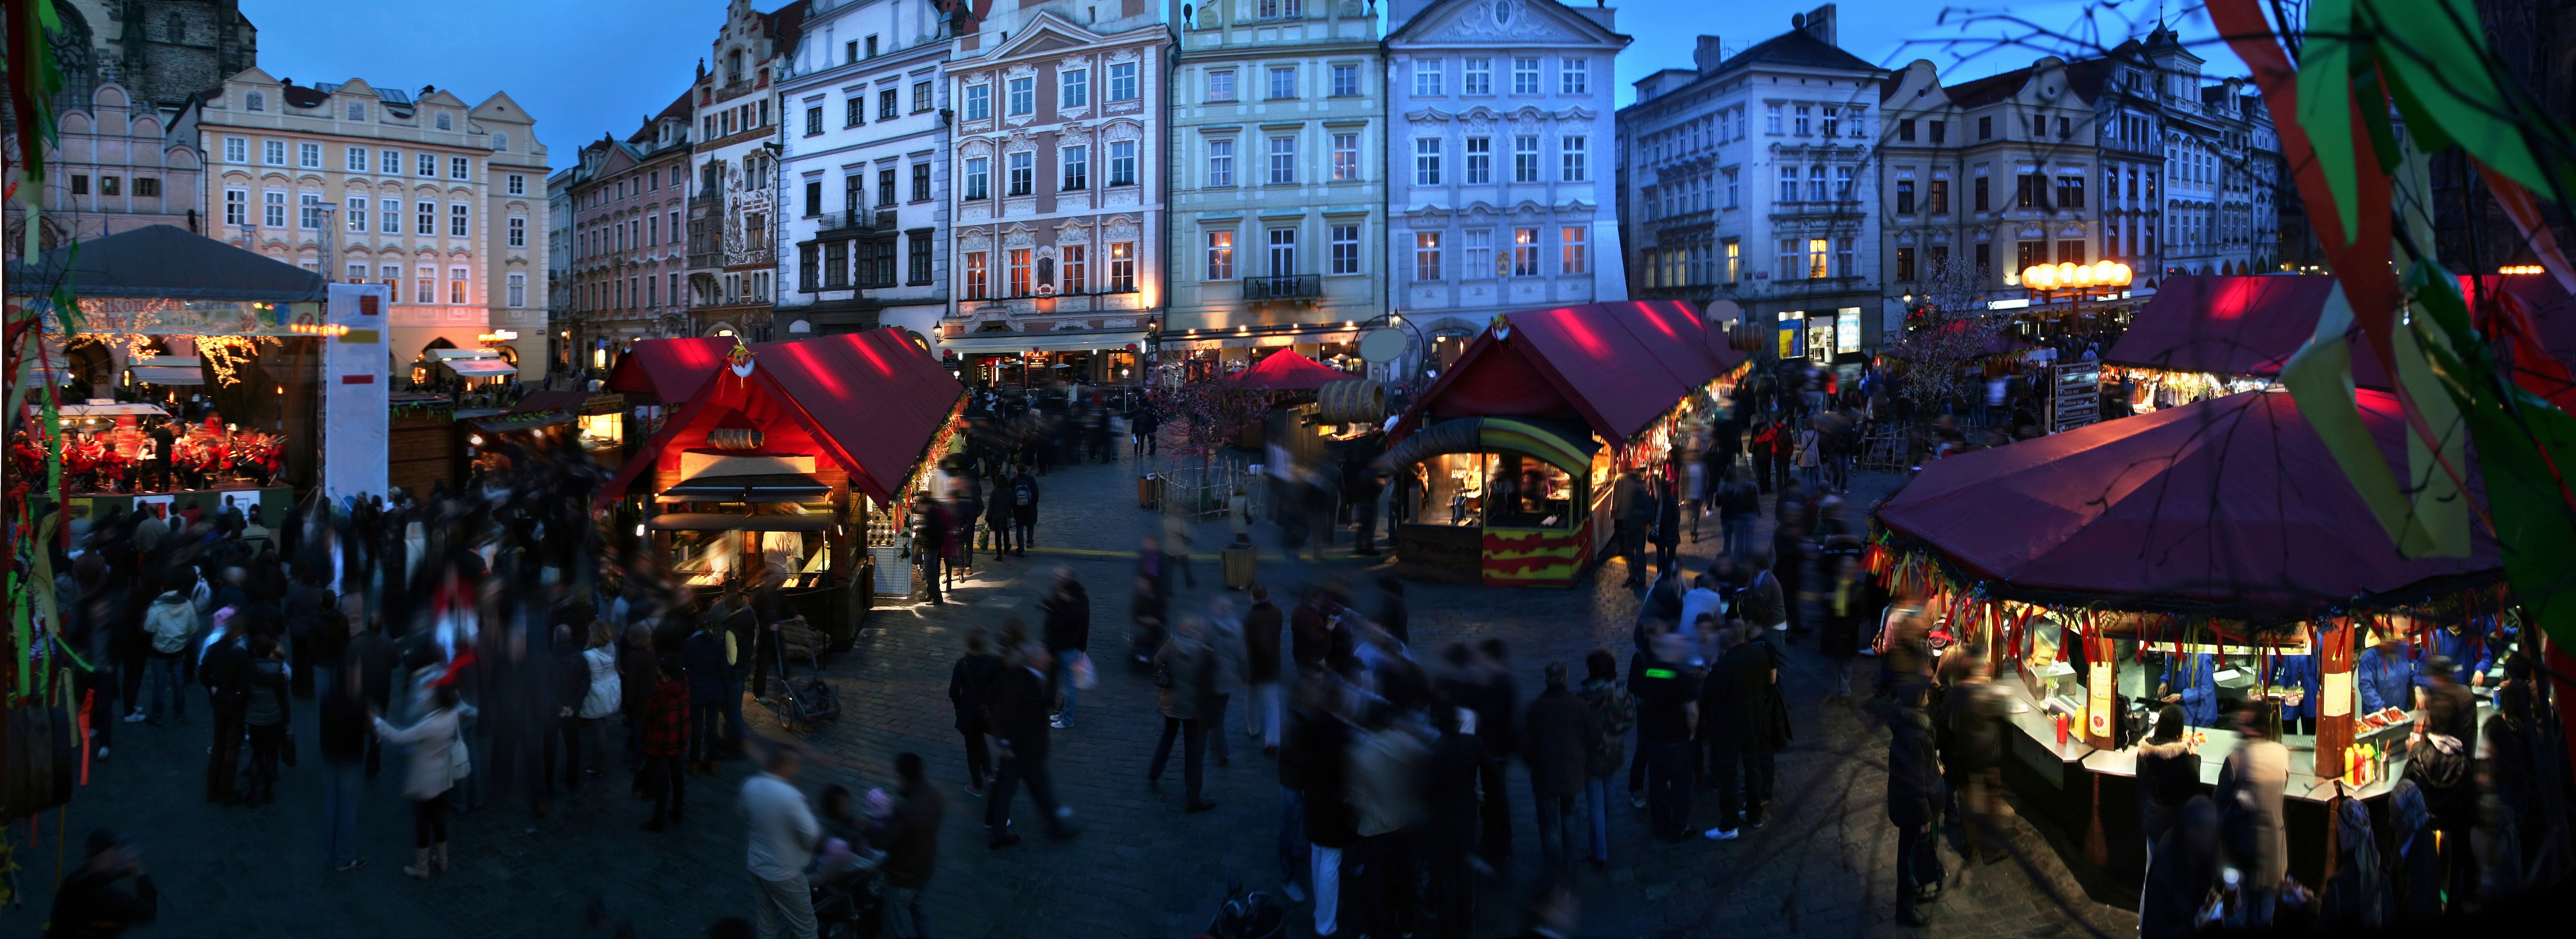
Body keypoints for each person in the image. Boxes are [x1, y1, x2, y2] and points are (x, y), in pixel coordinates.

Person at [1865, 674, 1942, 927]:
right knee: (1909, 857)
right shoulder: (1914, 736)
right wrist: (1924, 819)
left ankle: (1915, 893)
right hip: (1913, 810)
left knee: (1911, 854)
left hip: (1915, 805)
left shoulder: (1913, 727)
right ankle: (1905, 908)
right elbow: (1914, 783)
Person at [374, 683, 467, 880]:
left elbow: (399, 737)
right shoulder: (452, 716)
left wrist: (377, 722)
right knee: (439, 820)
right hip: (443, 777)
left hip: (426, 780)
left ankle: (422, 867)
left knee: (423, 822)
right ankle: (443, 861)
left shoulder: (431, 725)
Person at [987, 642, 1076, 847]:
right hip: (1024, 750)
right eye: (1044, 657)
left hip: (1019, 749)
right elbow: (1010, 714)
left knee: (1010, 790)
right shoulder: (1026, 682)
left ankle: (998, 832)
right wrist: (1007, 742)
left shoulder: (1019, 676)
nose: (1047, 660)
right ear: (1035, 660)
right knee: (1037, 789)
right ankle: (1055, 828)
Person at [1702, 623, 1780, 839]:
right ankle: (1755, 815)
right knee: (1752, 766)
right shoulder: (1759, 654)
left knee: (1728, 773)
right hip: (1755, 720)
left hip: (1730, 727)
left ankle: (1729, 824)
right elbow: (1768, 684)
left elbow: (1709, 695)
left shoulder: (1724, 666)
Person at [2215, 700, 2287, 927]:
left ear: (2249, 727)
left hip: (2240, 858)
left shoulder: (2235, 760)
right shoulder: (2282, 754)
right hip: (2273, 857)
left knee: (2236, 919)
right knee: (2264, 919)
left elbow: (2218, 801)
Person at [1521, 662, 1596, 874]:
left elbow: (1525, 745)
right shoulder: (1579, 706)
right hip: (1572, 772)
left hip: (1544, 774)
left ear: (1546, 680)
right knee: (1570, 813)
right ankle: (1570, 860)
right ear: (1566, 678)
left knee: (1549, 823)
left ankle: (1554, 866)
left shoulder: (1536, 708)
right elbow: (1595, 736)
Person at [740, 747, 822, 939]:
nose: (798, 770)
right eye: (795, 765)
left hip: (757, 866)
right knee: (806, 928)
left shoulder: (751, 784)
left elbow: (744, 814)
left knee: (767, 922)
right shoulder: (790, 796)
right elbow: (812, 834)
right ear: (785, 767)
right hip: (785, 874)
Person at [867, 752, 944, 939]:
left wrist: (870, 825)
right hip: (924, 867)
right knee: (921, 913)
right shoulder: (934, 796)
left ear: (901, 776)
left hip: (904, 875)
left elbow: (882, 841)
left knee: (895, 924)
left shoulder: (909, 809)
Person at [1633, 631, 1700, 842]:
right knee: (1681, 787)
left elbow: (1641, 702)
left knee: (1657, 785)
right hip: (1678, 740)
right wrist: (1692, 733)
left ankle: (1659, 825)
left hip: (1655, 740)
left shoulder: (1650, 672)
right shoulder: (1681, 676)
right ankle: (1678, 827)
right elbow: (1692, 711)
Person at [1148, 617, 1219, 812]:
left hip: (1171, 702)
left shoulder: (1173, 643)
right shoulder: (1204, 652)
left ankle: (1154, 772)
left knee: (1167, 737)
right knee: (1194, 753)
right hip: (1194, 709)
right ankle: (1193, 797)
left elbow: (1157, 659)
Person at [1574, 649, 1633, 869]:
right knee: (1607, 799)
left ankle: (1599, 851)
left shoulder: (1581, 696)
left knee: (1595, 805)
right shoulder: (1621, 691)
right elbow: (1630, 721)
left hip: (1591, 758)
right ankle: (1604, 835)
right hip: (1614, 754)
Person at [45, 830, 156, 939]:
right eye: (113, 853)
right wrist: (140, 874)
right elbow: (147, 912)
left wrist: (124, 871)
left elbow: (95, 878)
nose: (116, 857)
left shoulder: (73, 880)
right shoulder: (113, 900)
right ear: (104, 858)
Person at [2139, 796, 2221, 939]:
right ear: (2193, 832)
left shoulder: (2204, 847)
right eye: (2209, 830)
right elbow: (2155, 933)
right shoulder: (2166, 865)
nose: (2213, 836)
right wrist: (2195, 925)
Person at [319, 651, 371, 872]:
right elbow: (368, 729)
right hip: (349, 761)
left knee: (332, 807)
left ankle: (330, 854)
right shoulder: (357, 703)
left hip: (330, 758)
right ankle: (343, 857)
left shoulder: (328, 697)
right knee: (347, 810)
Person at [2133, 705, 2200, 875]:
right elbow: (2193, 784)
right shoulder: (2182, 757)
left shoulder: (2145, 751)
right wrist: (2194, 755)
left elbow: (2141, 775)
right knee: (2174, 875)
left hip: (2153, 820)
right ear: (2179, 730)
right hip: (2175, 823)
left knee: (2151, 871)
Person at [200, 607, 252, 804]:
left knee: (219, 745)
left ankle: (212, 788)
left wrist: (213, 689)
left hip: (219, 705)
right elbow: (247, 683)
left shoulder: (215, 649)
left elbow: (203, 673)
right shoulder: (240, 655)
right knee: (231, 749)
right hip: (235, 708)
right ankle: (226, 791)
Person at [948, 627, 1004, 795]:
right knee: (981, 740)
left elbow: (953, 692)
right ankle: (989, 772)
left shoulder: (962, 664)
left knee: (972, 747)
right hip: (988, 711)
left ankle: (978, 785)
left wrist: (959, 706)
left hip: (969, 711)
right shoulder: (993, 662)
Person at [640, 659, 690, 831]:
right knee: (677, 775)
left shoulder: (659, 693)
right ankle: (678, 809)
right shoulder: (683, 687)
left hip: (661, 740)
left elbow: (649, 719)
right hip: (679, 737)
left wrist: (645, 739)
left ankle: (658, 820)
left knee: (662, 782)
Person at [241, 633, 291, 807]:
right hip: (274, 719)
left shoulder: (250, 670)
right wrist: (287, 721)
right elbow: (284, 700)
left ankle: (253, 793)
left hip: (255, 720)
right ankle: (268, 791)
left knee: (256, 756)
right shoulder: (278, 670)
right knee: (271, 757)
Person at [1040, 568, 1090, 729]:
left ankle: (1068, 719)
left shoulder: (1077, 601)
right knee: (1065, 682)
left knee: (1070, 685)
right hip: (1058, 646)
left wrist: (1082, 649)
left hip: (1068, 647)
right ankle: (1063, 714)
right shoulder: (1060, 594)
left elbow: (1076, 623)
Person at [1242, 584, 1285, 755]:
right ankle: (1273, 740)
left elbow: (1248, 645)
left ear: (1252, 597)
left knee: (1251, 699)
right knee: (1272, 703)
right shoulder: (1278, 613)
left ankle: (1253, 729)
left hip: (1254, 667)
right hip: (1273, 665)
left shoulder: (1249, 619)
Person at [578, 621, 622, 778]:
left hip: (596, 692)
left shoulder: (589, 656)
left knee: (598, 729)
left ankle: (600, 766)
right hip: (609, 687)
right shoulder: (611, 648)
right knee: (600, 724)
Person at [2356, 630, 2419, 714]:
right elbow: (2366, 687)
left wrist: (2419, 689)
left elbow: (2414, 668)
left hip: (2402, 712)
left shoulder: (2403, 651)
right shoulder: (2369, 659)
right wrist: (2380, 708)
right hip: (2378, 716)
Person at [2159, 650, 2218, 728]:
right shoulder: (2172, 656)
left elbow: (2205, 689)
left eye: (2169, 651)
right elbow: (2168, 672)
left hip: (2200, 720)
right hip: (2181, 716)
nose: (2168, 654)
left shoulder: (2201, 657)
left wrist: (2180, 697)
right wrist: (2164, 682)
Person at [1009, 464, 1039, 555]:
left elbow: (1011, 496)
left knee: (1020, 527)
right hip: (1030, 507)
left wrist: (1013, 506)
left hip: (1018, 508)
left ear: (1017, 470)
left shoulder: (1013, 480)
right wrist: (1033, 503)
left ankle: (1021, 549)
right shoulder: (1031, 479)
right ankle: (1030, 542)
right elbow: (1036, 493)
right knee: (1030, 524)